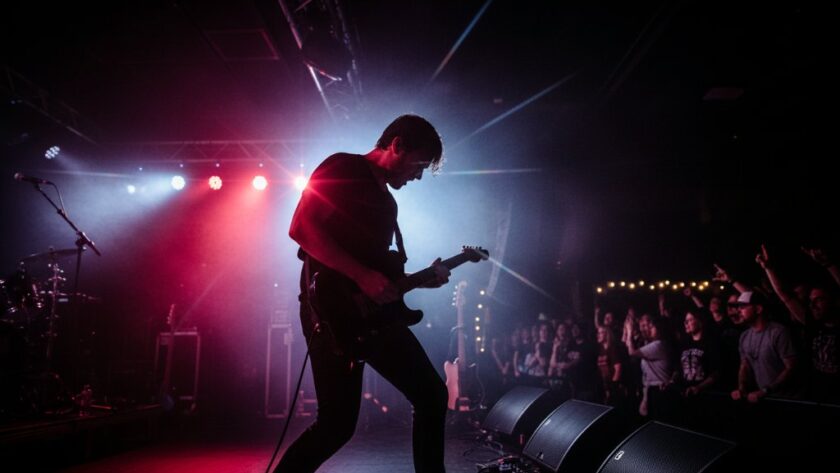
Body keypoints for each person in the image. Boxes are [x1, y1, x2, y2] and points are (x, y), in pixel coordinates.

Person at [275, 115, 451, 473]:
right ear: (397, 144)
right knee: (336, 425)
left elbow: (378, 275)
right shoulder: (343, 167)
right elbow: (301, 228)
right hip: (329, 313)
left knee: (431, 394)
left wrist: (418, 281)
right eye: (418, 164)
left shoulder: (389, 204)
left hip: (373, 318)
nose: (417, 176)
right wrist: (361, 275)